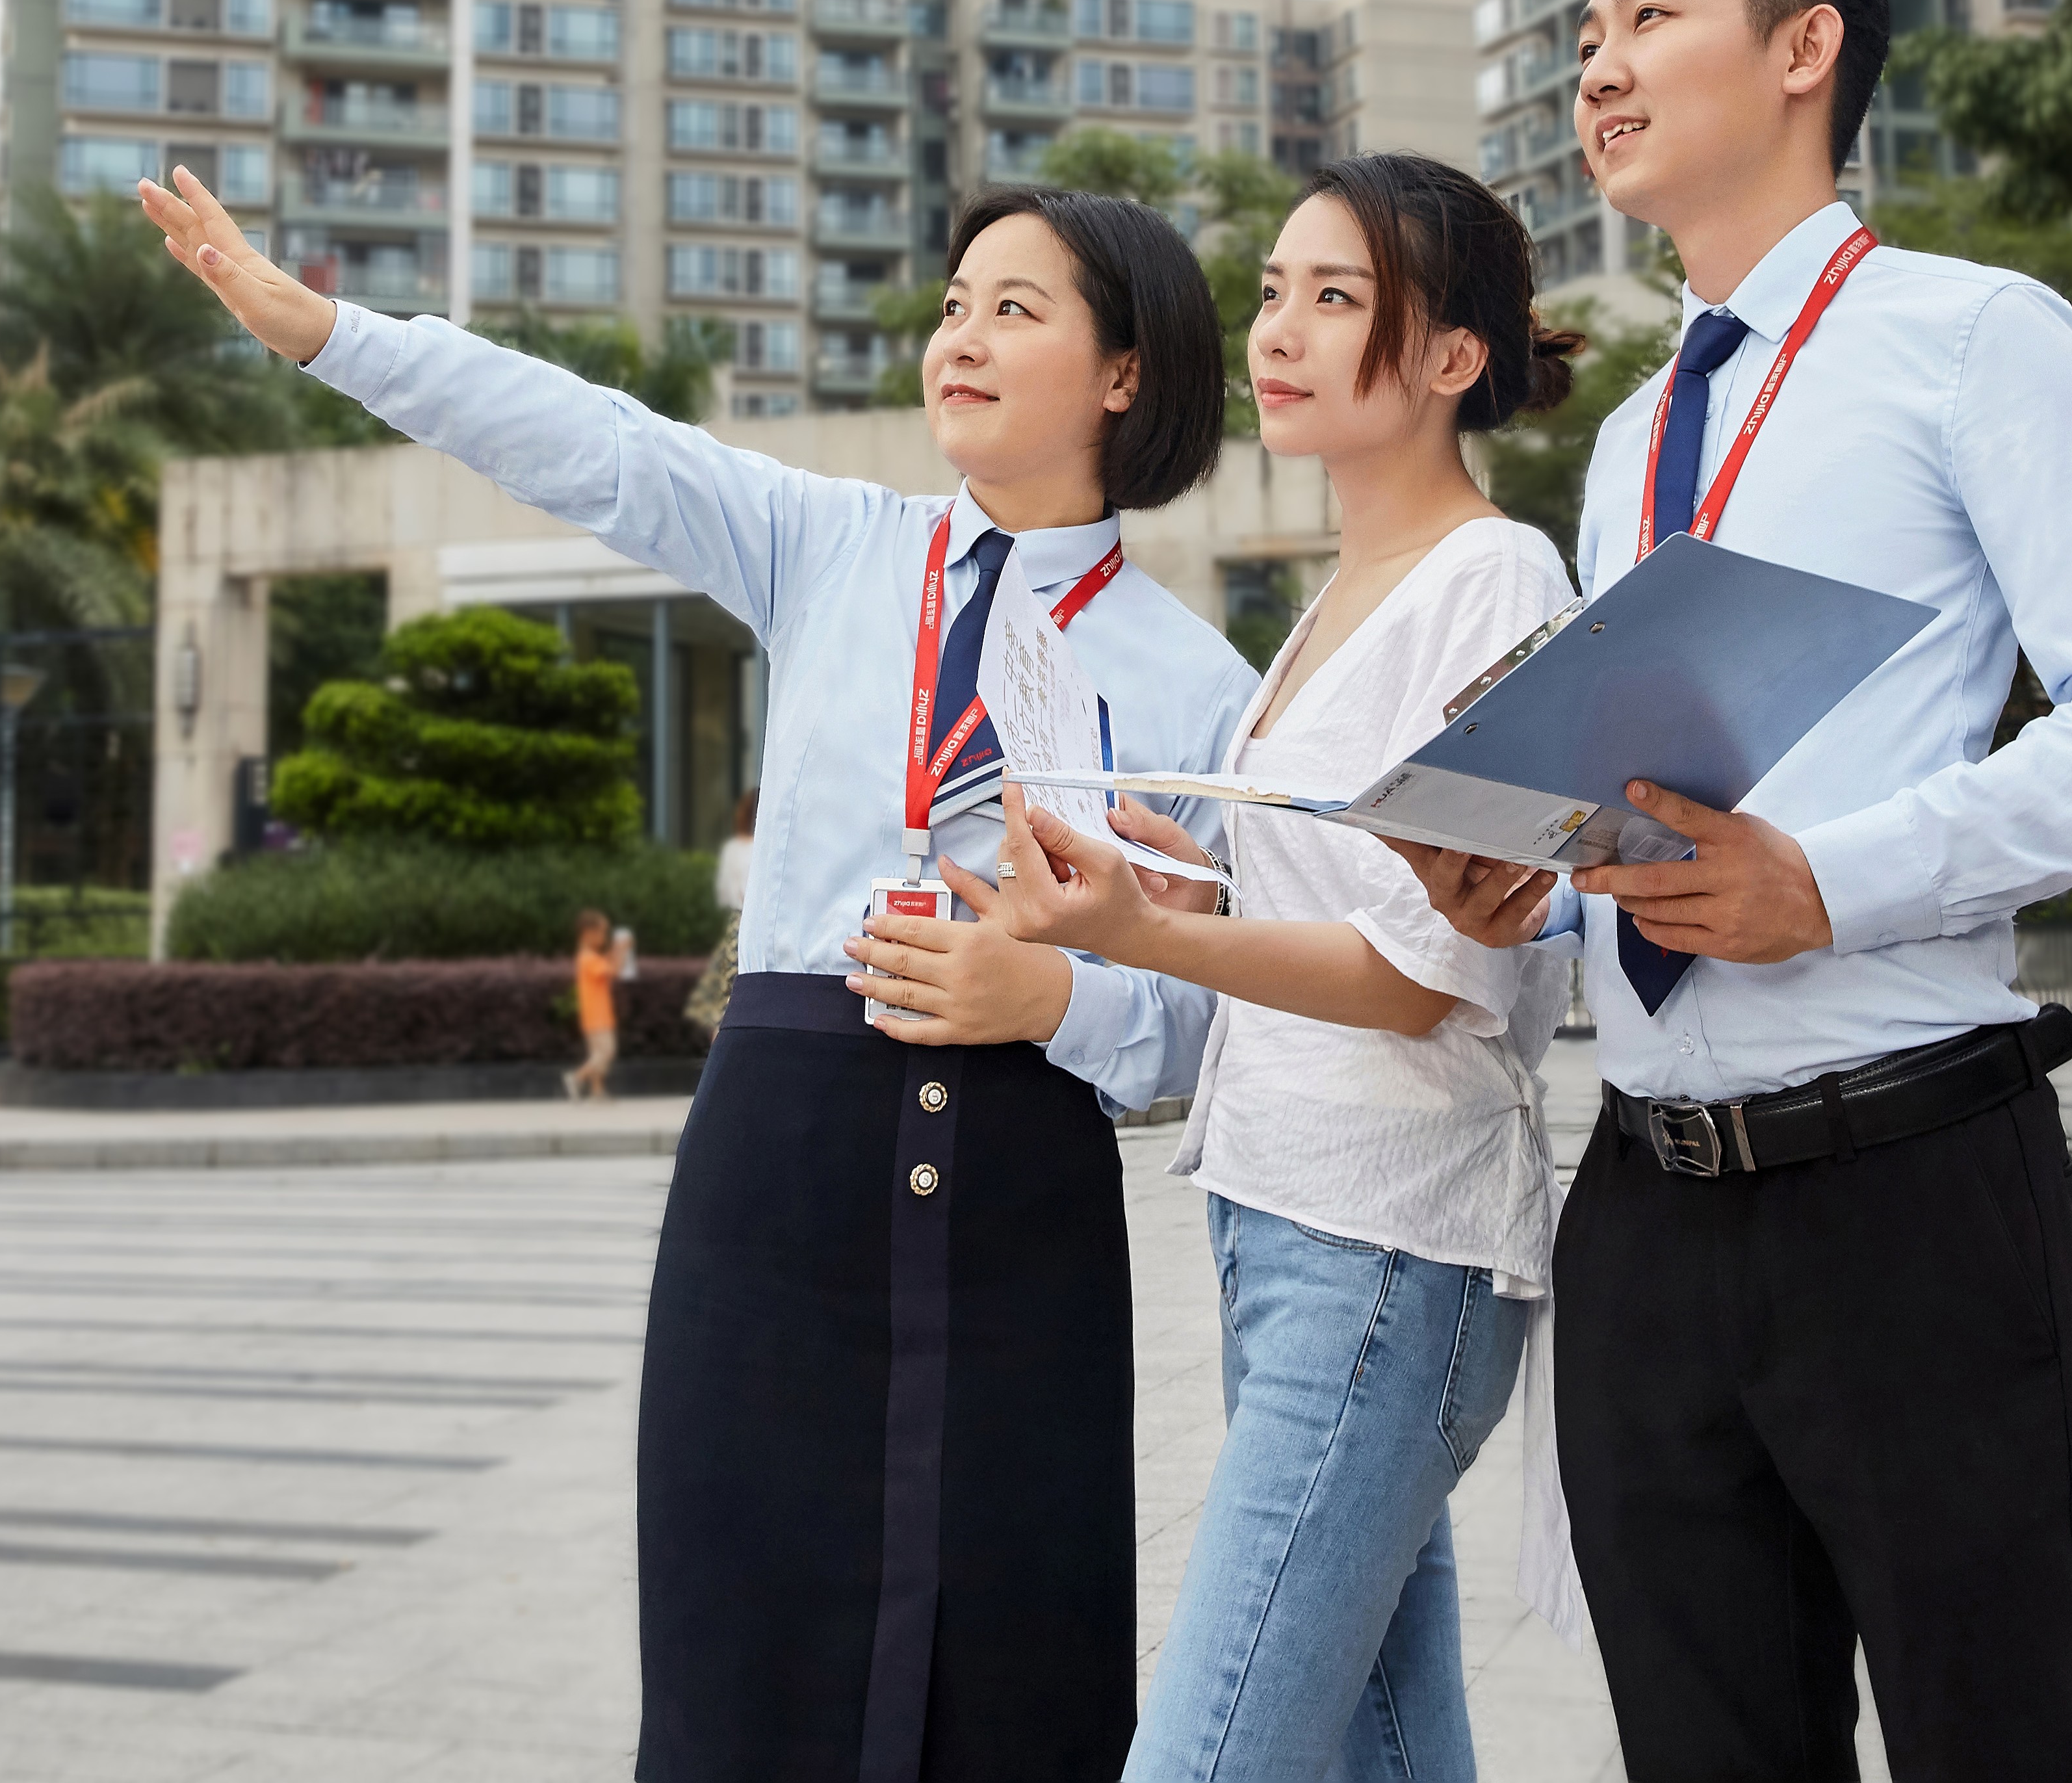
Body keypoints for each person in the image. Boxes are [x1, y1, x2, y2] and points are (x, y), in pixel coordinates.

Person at [137, 164, 1256, 1782]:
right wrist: (326, 333)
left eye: (1015, 308)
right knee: (743, 1634)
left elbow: (1207, 1009)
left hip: (1024, 1188)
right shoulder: (827, 546)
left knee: (1017, 1648)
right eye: (953, 305)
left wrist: (1058, 1000)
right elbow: (587, 437)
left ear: (1126, 369)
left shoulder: (1194, 681)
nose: (959, 335)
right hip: (780, 1159)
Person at [1397, 0, 2072, 1780]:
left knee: (1997, 1738)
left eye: (1649, 15)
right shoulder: (1629, 440)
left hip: (1910, 1191)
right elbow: (1663, 792)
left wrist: (1829, 882)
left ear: (1804, 47)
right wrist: (1524, 871)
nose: (1597, 63)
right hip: (1649, 1209)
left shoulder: (1972, 334)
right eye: (1587, 30)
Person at [965, 153, 1583, 1783]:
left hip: (1387, 1243)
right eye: (1270, 293)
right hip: (1280, 1220)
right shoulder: (1334, 599)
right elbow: (1321, 887)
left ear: (1451, 357)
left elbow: (1429, 968)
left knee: (1208, 1750)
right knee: (1381, 1743)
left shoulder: (1495, 581)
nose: (1278, 331)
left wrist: (1144, 931)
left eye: (1337, 298)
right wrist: (1146, 868)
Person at [686, 790, 758, 1040]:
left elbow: (724, 894)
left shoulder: (733, 849)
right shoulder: (766, 850)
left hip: (736, 924)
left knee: (725, 998)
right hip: (759, 926)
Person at [565, 907, 623, 1100]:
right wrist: (621, 951)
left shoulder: (589, 957)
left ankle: (597, 1091)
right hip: (597, 1015)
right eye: (602, 932)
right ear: (589, 933)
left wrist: (614, 952)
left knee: (596, 1053)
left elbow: (606, 966)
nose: (604, 937)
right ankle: (576, 1077)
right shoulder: (588, 959)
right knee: (607, 1052)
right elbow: (613, 971)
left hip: (595, 1014)